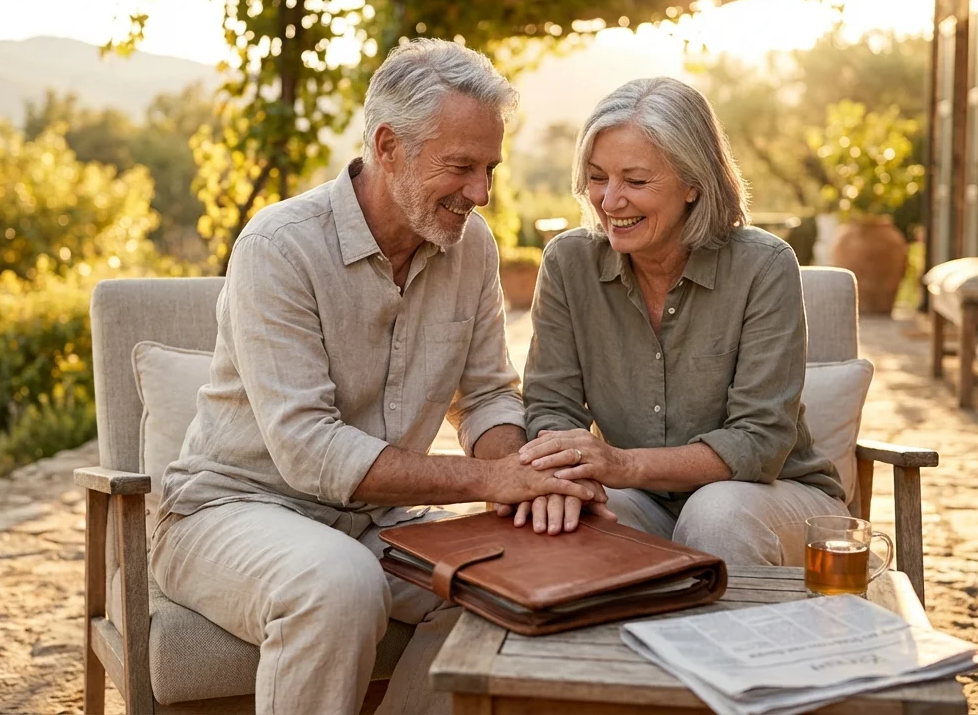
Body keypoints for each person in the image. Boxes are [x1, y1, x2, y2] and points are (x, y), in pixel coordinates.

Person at [150, 39, 606, 715]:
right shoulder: (278, 249)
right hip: (229, 512)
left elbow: (484, 396)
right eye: (461, 167)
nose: (481, 193)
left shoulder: (470, 244)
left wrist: (526, 482)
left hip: (376, 519)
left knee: (512, 593)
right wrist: (486, 482)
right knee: (338, 583)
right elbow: (308, 449)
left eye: (490, 168)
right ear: (388, 146)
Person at [514, 76, 849, 565]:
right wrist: (561, 478)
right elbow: (551, 404)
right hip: (642, 497)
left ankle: (728, 646)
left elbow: (759, 441)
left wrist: (621, 463)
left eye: (635, 180)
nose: (609, 202)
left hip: (772, 495)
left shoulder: (765, 265)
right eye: (597, 177)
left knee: (716, 515)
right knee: (566, 525)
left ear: (694, 183)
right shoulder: (569, 264)